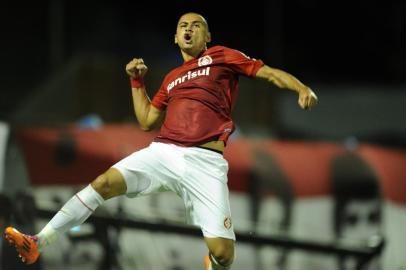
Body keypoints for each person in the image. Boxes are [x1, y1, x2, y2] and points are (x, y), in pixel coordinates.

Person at [3, 12, 318, 270]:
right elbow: (147, 122)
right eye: (183, 25)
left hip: (205, 161)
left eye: (196, 25)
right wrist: (136, 81)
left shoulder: (221, 56)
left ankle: (214, 264)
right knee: (102, 183)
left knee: (223, 255)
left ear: (207, 36)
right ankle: (38, 243)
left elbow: (268, 73)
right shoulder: (172, 78)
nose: (188, 28)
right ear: (176, 37)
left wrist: (300, 87)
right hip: (163, 152)